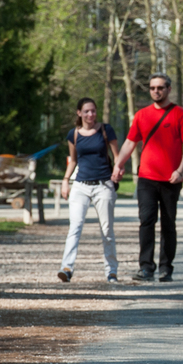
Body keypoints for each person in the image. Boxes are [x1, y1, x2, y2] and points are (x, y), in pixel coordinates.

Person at [112, 73, 183, 283]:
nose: (156, 91)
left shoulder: (180, 114)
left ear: (169, 89)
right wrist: (118, 164)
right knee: (146, 221)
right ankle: (146, 268)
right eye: (152, 88)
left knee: (168, 224)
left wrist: (180, 170)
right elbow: (129, 143)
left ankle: (166, 268)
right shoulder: (142, 115)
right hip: (146, 178)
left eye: (160, 87)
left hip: (171, 179)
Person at [58, 98, 119, 283]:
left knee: (107, 230)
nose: (90, 114)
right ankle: (66, 268)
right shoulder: (74, 134)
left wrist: (118, 169)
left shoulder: (105, 130)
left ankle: (111, 271)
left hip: (104, 185)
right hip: (81, 185)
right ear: (79, 113)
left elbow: (117, 156)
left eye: (93, 111)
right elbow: (74, 160)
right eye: (86, 111)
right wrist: (65, 180)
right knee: (75, 227)